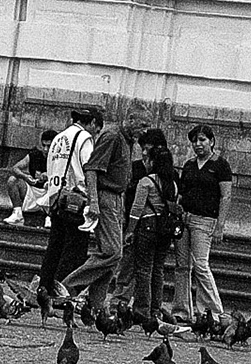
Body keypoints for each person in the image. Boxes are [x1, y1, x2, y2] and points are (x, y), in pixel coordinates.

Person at [57, 114, 143, 310]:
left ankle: (96, 306)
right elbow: (92, 169)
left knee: (112, 257)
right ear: (130, 120)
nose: (145, 131)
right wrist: (94, 202)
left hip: (116, 199)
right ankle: (66, 287)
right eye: (142, 125)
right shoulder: (112, 136)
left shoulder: (127, 140)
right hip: (105, 198)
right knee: (112, 253)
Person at [36, 105, 98, 318]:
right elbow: (88, 170)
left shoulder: (58, 138)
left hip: (56, 198)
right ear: (91, 123)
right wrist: (91, 197)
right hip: (75, 200)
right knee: (74, 250)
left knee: (54, 248)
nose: (95, 133)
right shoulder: (84, 139)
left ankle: (43, 289)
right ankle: (61, 294)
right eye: (96, 128)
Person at [173, 124, 233, 324]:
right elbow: (181, 193)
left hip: (205, 220)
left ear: (211, 141)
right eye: (194, 141)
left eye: (202, 140)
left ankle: (214, 312)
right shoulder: (189, 164)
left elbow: (225, 196)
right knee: (182, 266)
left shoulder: (220, 165)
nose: (198, 144)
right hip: (185, 218)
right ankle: (182, 310)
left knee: (200, 265)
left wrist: (220, 226)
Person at [129, 129, 182, 316]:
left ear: (153, 162)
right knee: (158, 269)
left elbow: (136, 209)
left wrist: (129, 230)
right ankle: (156, 308)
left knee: (143, 269)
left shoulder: (146, 181)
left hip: (147, 226)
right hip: (164, 230)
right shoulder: (173, 184)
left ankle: (141, 309)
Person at [3, 128, 55, 224]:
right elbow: (15, 168)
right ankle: (17, 213)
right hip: (32, 191)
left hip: (49, 193)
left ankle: (50, 217)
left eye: (49, 146)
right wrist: (25, 177)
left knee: (56, 186)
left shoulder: (60, 158)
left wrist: (49, 176)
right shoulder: (34, 155)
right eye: (43, 145)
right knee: (12, 180)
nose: (45, 149)